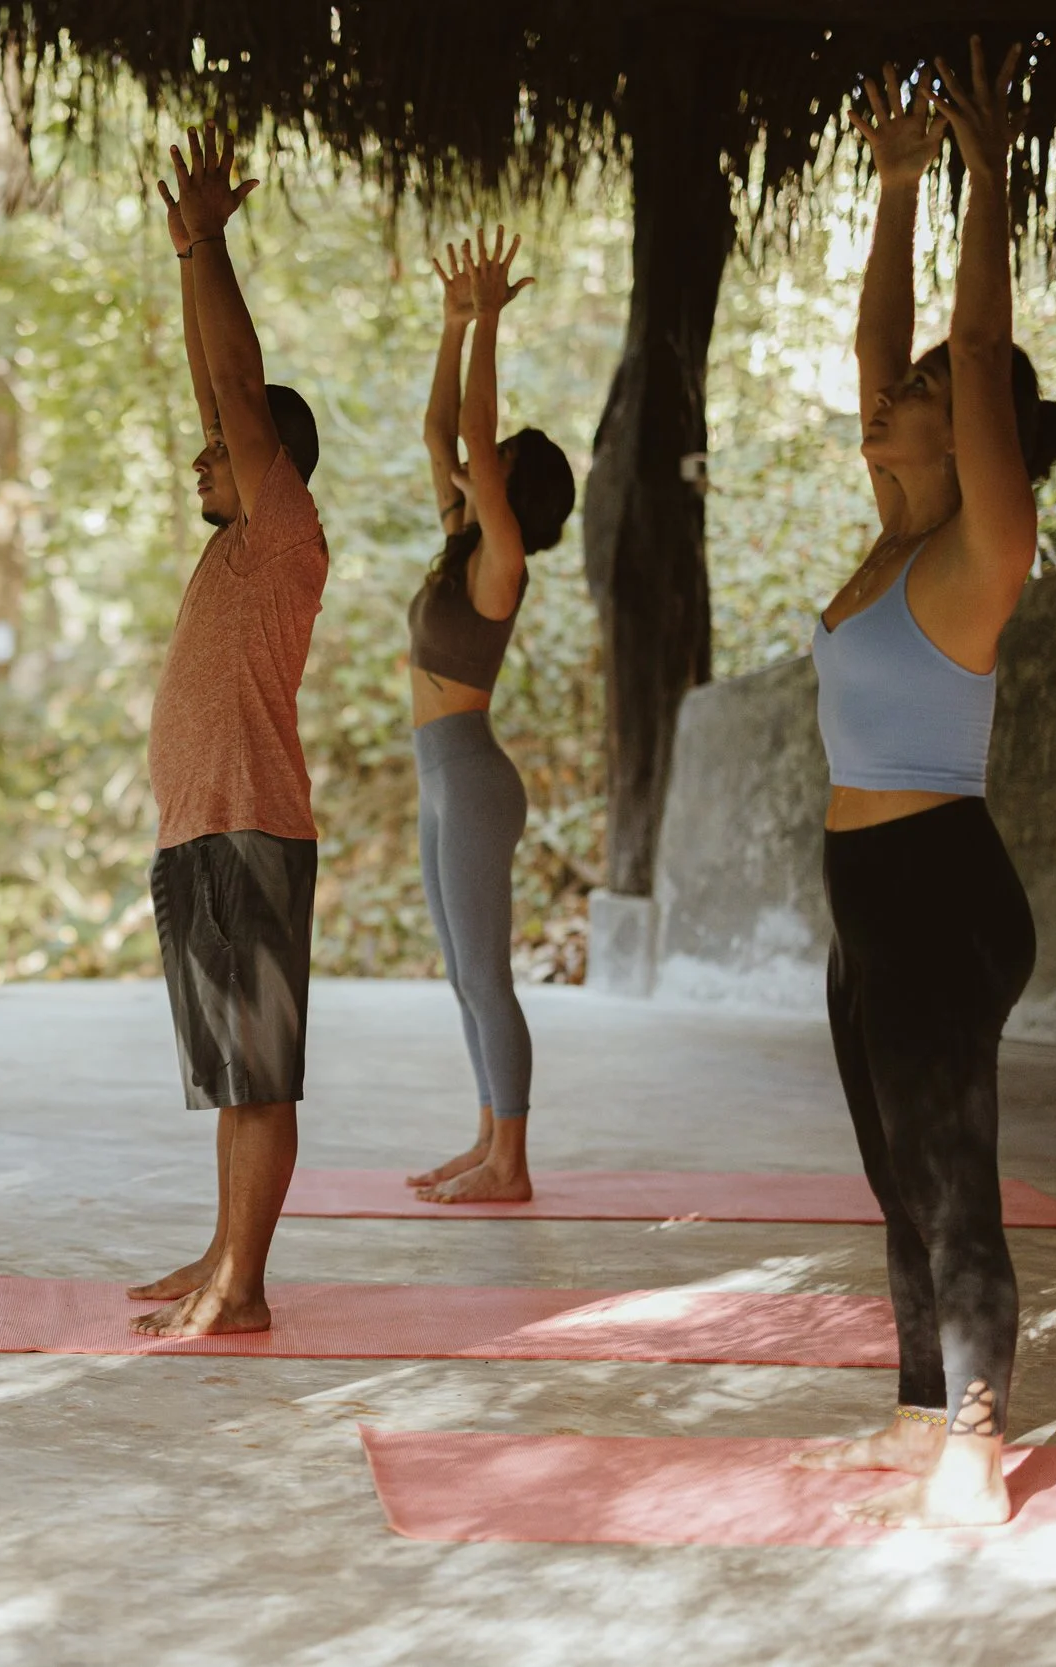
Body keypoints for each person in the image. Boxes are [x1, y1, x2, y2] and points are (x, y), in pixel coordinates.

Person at [789, 43, 1056, 1527]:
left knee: (952, 1172)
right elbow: (882, 351)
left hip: (941, 892)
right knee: (897, 1170)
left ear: (968, 440)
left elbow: (961, 354)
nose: (881, 400)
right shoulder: (890, 546)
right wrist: (891, 192)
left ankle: (977, 1432)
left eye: (914, 399)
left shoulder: (979, 559)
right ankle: (919, 1401)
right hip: (870, 897)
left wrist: (985, 185)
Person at [123, 129, 331, 1338]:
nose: (201, 450)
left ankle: (242, 1290)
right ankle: (223, 1251)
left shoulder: (281, 532)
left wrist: (209, 246)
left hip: (251, 827)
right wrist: (183, 266)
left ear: (273, 469)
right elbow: (216, 391)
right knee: (227, 1078)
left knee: (260, 1073)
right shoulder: (231, 546)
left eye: (223, 451)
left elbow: (238, 391)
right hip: (198, 828)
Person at [399, 228, 575, 1204]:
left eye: (494, 461)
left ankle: (512, 1161)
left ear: (510, 486)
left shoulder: (499, 562)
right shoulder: (463, 541)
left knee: (488, 975)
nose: (474, 464)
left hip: (469, 780)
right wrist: (451, 323)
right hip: (440, 779)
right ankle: (484, 1139)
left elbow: (468, 433)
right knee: (465, 976)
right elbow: (442, 433)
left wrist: (493, 326)